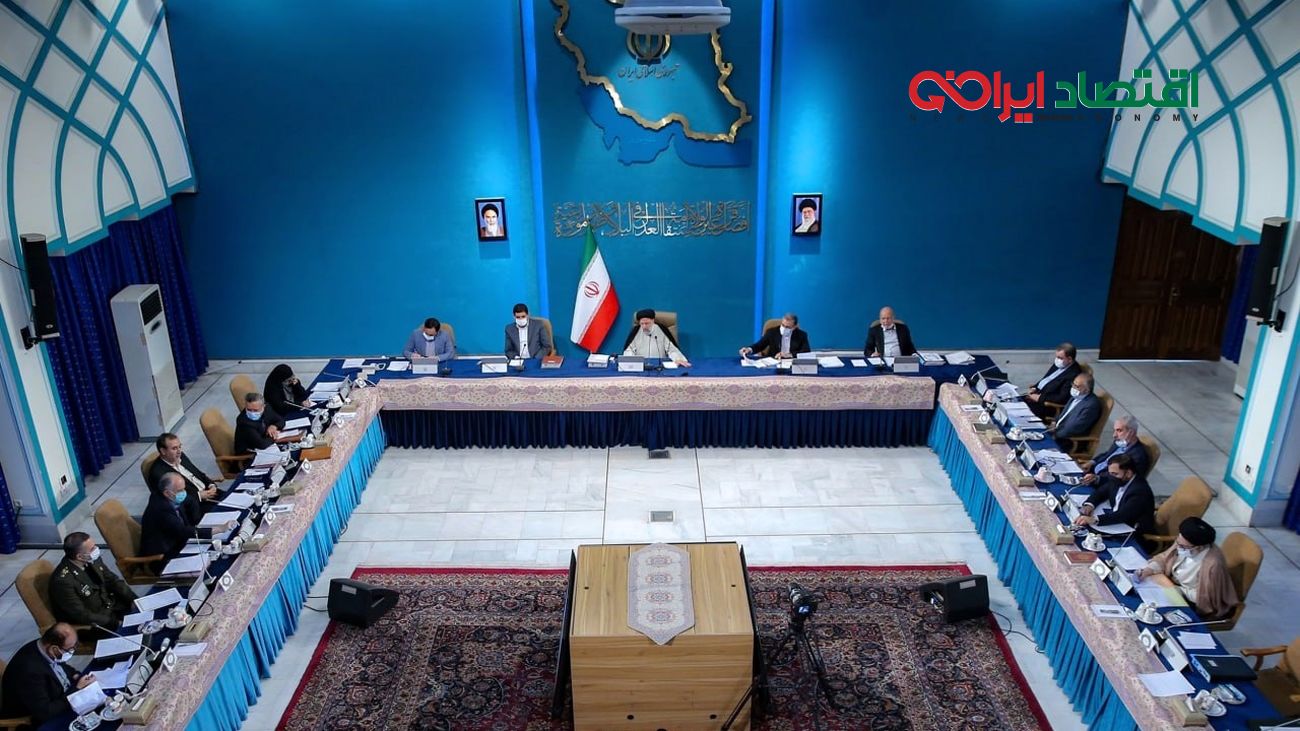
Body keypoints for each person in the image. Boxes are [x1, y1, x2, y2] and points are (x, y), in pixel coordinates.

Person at [1137, 517, 1239, 620]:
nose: (1178, 547)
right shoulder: (1182, 542)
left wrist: (1178, 590)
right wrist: (1149, 570)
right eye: (1178, 542)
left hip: (1190, 601)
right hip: (1170, 585)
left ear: (1198, 547)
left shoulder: (1213, 564)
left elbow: (1206, 597)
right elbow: (1164, 558)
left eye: (1183, 546)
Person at [0, 623, 95, 724]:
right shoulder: (30, 672)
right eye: (69, 649)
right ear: (54, 649)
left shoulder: (43, 646)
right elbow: (46, 712)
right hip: (39, 720)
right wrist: (76, 690)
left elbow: (61, 665)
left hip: (62, 698)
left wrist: (74, 674)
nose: (72, 652)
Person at [48, 532, 136, 629]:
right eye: (92, 549)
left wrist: (134, 600)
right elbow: (82, 614)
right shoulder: (63, 581)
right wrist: (115, 623)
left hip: (113, 606)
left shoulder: (92, 559)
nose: (96, 550)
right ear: (79, 557)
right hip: (97, 623)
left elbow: (113, 581)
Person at [141, 474, 231, 565]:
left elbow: (191, 501)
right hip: (166, 553)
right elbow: (182, 531)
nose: (184, 492)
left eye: (184, 489)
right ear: (167, 493)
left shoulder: (172, 495)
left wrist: (198, 522)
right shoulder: (160, 508)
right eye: (180, 490)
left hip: (181, 539)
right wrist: (218, 529)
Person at [1071, 453, 1155, 545]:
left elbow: (1122, 515)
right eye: (1110, 473)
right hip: (1115, 521)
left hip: (1131, 533)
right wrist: (1089, 505)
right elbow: (1101, 492)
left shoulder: (1139, 491)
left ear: (1128, 473)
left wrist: (1094, 519)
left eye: (1114, 474)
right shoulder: (1118, 479)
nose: (1111, 476)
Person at [148, 432, 219, 525]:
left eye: (180, 447)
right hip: (197, 505)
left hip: (211, 493)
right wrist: (199, 496)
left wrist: (211, 484)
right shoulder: (159, 473)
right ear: (163, 451)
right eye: (174, 448)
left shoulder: (181, 456)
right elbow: (172, 499)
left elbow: (199, 474)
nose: (179, 451)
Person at [1079, 416, 1150, 485]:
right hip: (1090, 472)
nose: (1114, 435)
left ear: (1131, 432)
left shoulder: (1137, 456)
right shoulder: (1120, 442)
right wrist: (1091, 462)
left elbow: (1120, 479)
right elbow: (1106, 455)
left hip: (1101, 484)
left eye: (1119, 430)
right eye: (1115, 430)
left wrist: (1097, 478)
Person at [1024, 343, 1082, 419]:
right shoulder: (1060, 364)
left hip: (1047, 405)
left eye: (1060, 358)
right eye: (1056, 357)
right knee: (1013, 402)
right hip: (1037, 395)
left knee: (1020, 412)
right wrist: (1035, 387)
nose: (1057, 360)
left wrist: (1040, 398)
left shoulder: (1073, 374)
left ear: (1070, 359)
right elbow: (1046, 379)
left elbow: (1061, 398)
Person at [1049, 372, 1101, 453]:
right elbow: (1064, 414)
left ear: (1087, 390)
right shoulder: (1076, 396)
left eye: (1076, 386)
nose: (1073, 387)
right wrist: (1054, 422)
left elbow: (1074, 428)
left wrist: (1055, 434)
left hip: (1069, 441)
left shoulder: (1091, 405)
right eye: (1073, 384)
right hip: (1057, 432)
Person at [621, 309, 690, 366]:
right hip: (641, 366)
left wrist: (678, 359)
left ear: (653, 321)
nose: (644, 326)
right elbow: (629, 350)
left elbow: (671, 349)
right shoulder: (635, 331)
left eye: (647, 323)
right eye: (642, 324)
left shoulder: (661, 330)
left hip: (660, 366)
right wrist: (629, 362)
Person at [740, 313, 810, 359]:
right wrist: (749, 349)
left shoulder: (802, 335)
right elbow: (760, 345)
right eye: (783, 325)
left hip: (792, 364)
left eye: (787, 327)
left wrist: (789, 355)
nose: (784, 328)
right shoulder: (772, 332)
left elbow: (806, 351)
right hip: (774, 362)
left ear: (794, 327)